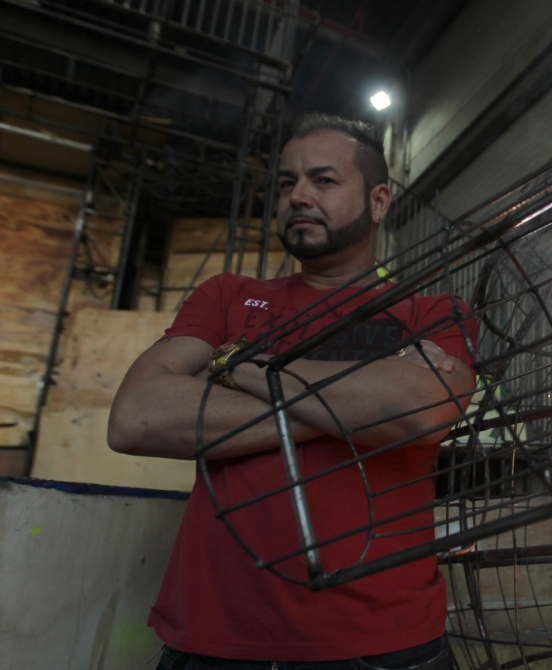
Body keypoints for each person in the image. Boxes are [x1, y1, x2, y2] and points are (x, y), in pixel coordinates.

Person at [109, 113, 478, 668]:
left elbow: (422, 413)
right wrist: (360, 405)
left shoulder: (432, 312)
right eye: (287, 183)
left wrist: (237, 364)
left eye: (323, 181)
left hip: (381, 643)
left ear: (378, 202)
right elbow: (136, 417)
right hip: (213, 640)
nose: (298, 196)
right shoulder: (229, 295)